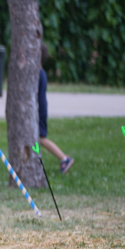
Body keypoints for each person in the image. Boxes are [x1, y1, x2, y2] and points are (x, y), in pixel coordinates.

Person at [38, 43, 74, 173]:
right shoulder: (41, 73)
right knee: (36, 138)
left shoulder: (39, 74)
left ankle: (64, 158)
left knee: (41, 138)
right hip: (40, 110)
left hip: (39, 111)